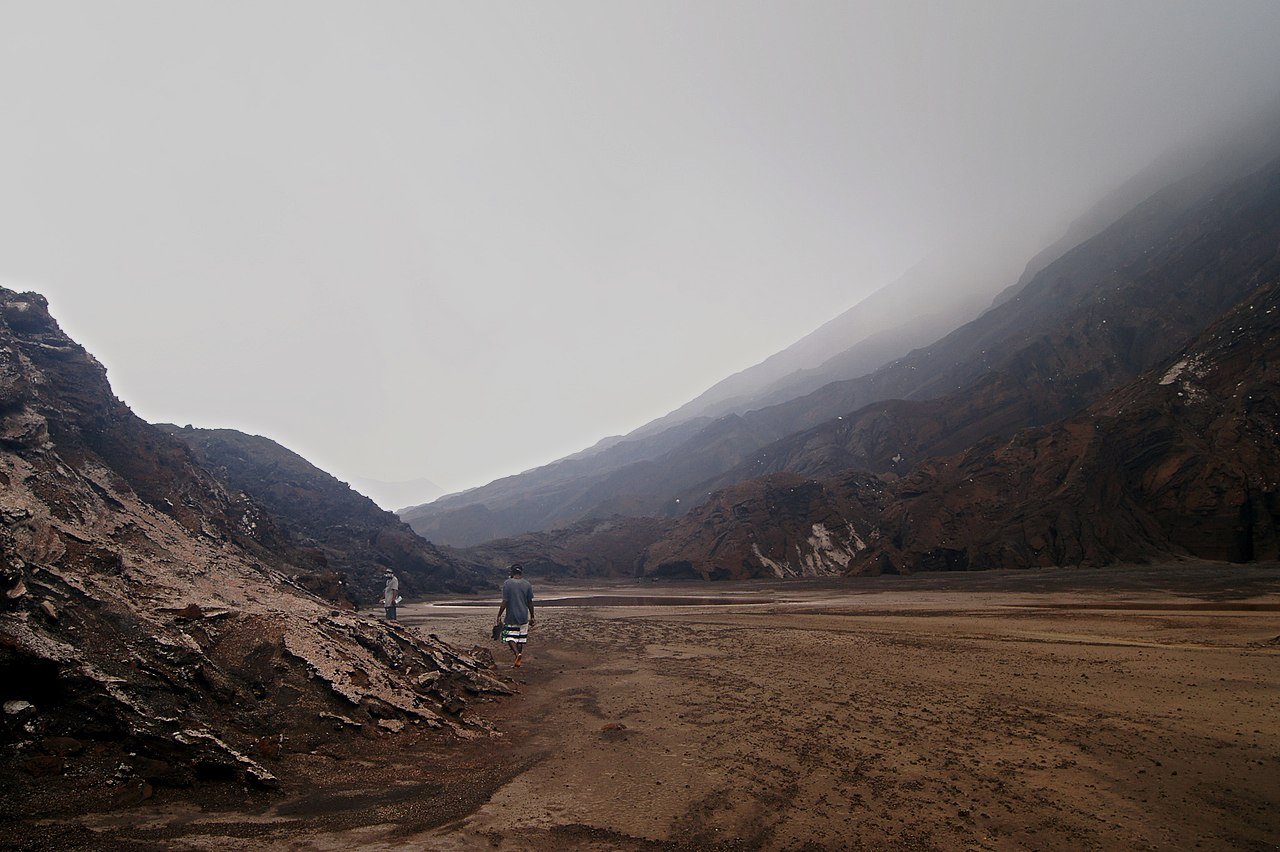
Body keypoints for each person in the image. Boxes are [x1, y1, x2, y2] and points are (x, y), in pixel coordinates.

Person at [495, 563, 534, 667]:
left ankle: (517, 654)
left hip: (511, 616)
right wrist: (532, 616)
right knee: (520, 639)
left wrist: (499, 615)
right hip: (524, 615)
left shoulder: (507, 583)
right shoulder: (527, 584)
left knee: (508, 636)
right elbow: (530, 602)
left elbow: (505, 601)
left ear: (512, 572)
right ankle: (518, 660)